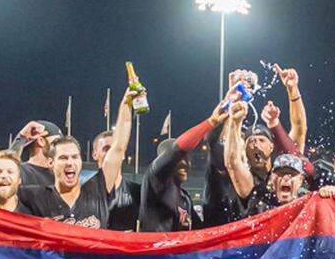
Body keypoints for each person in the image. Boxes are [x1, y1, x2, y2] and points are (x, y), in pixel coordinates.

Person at [139, 98, 233, 232]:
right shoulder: (154, 179)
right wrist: (211, 122)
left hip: (176, 253)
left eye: (187, 158)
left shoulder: (185, 198)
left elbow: (201, 232)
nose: (184, 163)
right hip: (156, 252)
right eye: (178, 159)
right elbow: (178, 149)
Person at [17, 137, 110, 229]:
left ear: (80, 161)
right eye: (63, 158)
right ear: (51, 163)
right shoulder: (35, 197)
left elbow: (118, 150)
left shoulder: (98, 193)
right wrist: (21, 137)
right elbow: (6, 173)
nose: (70, 162)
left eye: (75, 157)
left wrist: (124, 122)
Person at [91, 88, 141, 230]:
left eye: (115, 150)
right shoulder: (83, 192)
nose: (111, 154)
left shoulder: (138, 193)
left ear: (123, 154)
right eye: (106, 149)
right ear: (94, 154)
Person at [12, 120, 64, 187]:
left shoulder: (59, 173)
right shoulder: (22, 171)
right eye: (57, 141)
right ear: (41, 141)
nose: (61, 146)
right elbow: (5, 166)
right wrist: (21, 137)